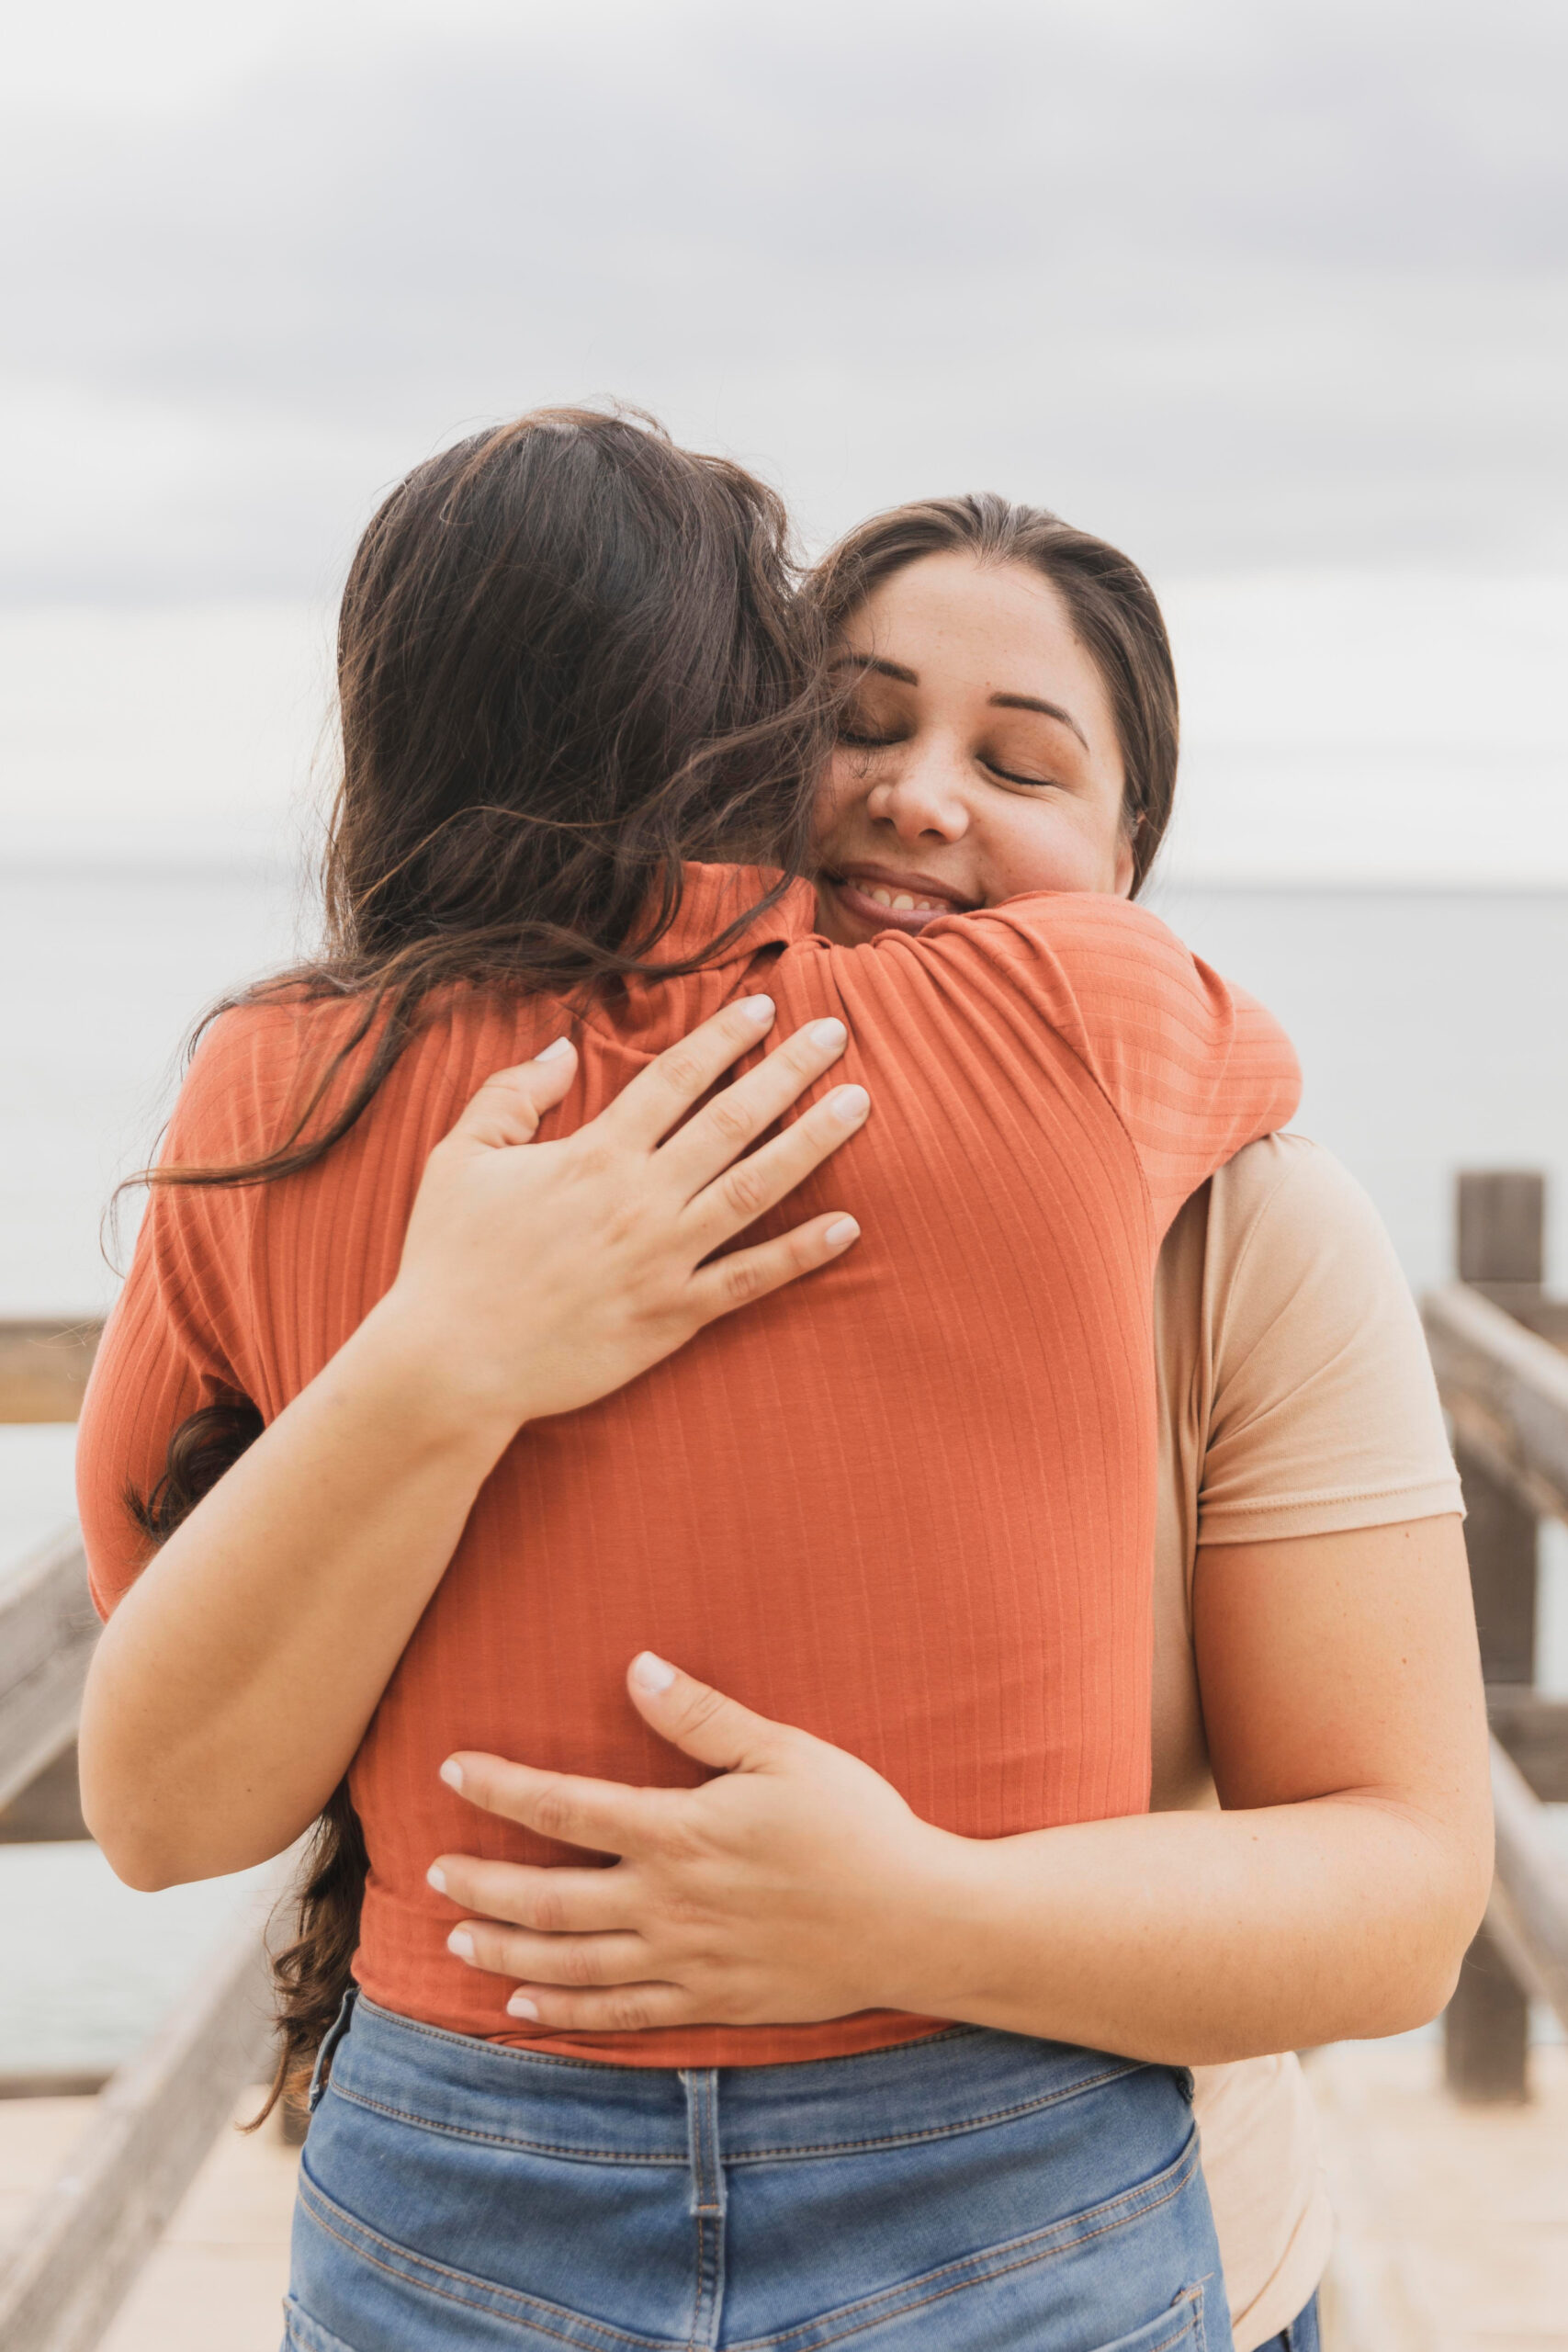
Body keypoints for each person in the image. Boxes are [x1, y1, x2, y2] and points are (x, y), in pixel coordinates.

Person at [78, 411, 1301, 2352]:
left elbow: (160, 1777)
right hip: (992, 2128)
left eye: (1004, 756)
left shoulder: (265, 1095)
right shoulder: (1081, 1007)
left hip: (472, 2148)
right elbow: (1245, 1075)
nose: (912, 800)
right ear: (755, 718)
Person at [411, 498, 1493, 2352]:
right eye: (859, 722)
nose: (918, 797)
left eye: (1016, 762)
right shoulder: (535, 1171)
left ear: (1122, 856)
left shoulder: (1248, 1228)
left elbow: (1395, 1891)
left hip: (1113, 2262)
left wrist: (901, 1912)